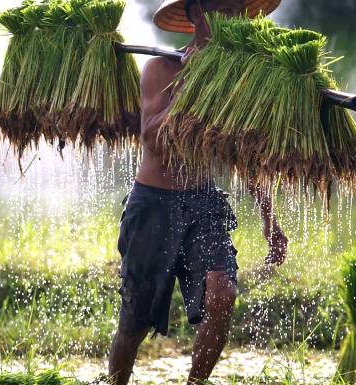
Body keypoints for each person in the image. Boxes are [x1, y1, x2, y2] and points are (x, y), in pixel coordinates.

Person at [108, 1, 285, 384]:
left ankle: (196, 383)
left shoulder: (238, 84)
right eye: (220, 6)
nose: (230, 16)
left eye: (237, 8)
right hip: (153, 203)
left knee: (222, 295)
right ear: (196, 14)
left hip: (203, 202)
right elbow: (153, 137)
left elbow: (247, 155)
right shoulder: (161, 68)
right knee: (135, 324)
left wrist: (270, 220)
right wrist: (194, 80)